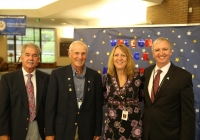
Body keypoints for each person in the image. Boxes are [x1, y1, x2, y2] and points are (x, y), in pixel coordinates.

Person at [45, 41, 102, 140]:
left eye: (83, 53)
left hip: (87, 131)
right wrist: (49, 133)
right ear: (69, 54)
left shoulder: (95, 77)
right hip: (63, 130)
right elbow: (50, 107)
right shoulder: (57, 75)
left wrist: (97, 131)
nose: (80, 57)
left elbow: (98, 107)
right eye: (76, 53)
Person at [142, 37, 195, 140]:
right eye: (157, 50)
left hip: (170, 135)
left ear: (170, 52)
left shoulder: (183, 77)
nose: (161, 53)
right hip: (147, 134)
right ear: (153, 54)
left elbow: (188, 116)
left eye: (165, 49)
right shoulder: (147, 72)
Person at [0, 43, 50, 140]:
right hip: (16, 131)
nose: (31, 58)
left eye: (34, 55)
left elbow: (50, 108)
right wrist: (3, 134)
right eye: (27, 55)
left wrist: (50, 133)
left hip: (40, 130)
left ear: (38, 60)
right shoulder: (7, 79)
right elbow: (3, 110)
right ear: (21, 57)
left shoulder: (47, 79)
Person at [102, 44, 144, 140]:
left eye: (123, 55)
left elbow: (143, 98)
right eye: (116, 55)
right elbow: (103, 99)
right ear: (112, 58)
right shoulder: (106, 78)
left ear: (128, 58)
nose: (119, 58)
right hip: (112, 126)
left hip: (133, 126)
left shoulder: (138, 77)